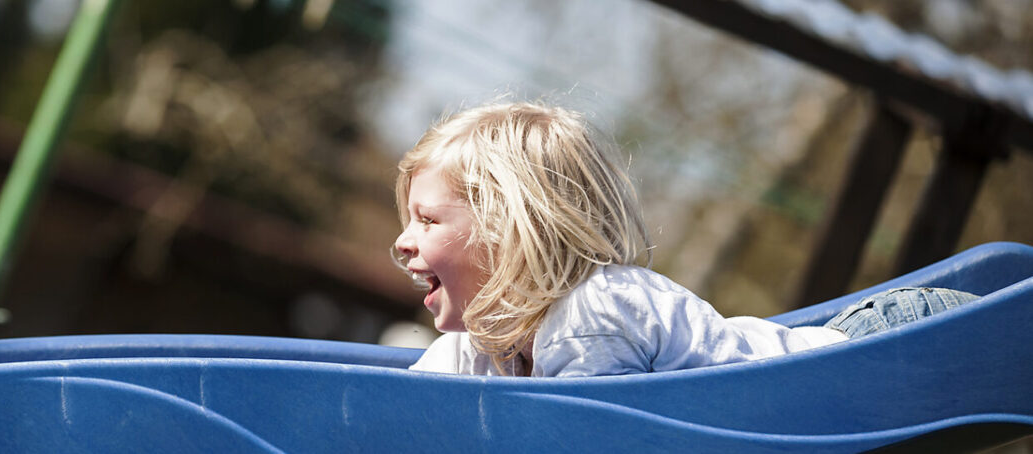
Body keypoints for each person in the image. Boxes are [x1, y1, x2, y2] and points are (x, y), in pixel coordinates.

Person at [391, 102, 978, 377]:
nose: (402, 242)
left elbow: (580, 440)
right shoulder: (488, 346)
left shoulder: (592, 317)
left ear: (511, 230)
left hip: (887, 348)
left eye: (428, 219)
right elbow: (405, 409)